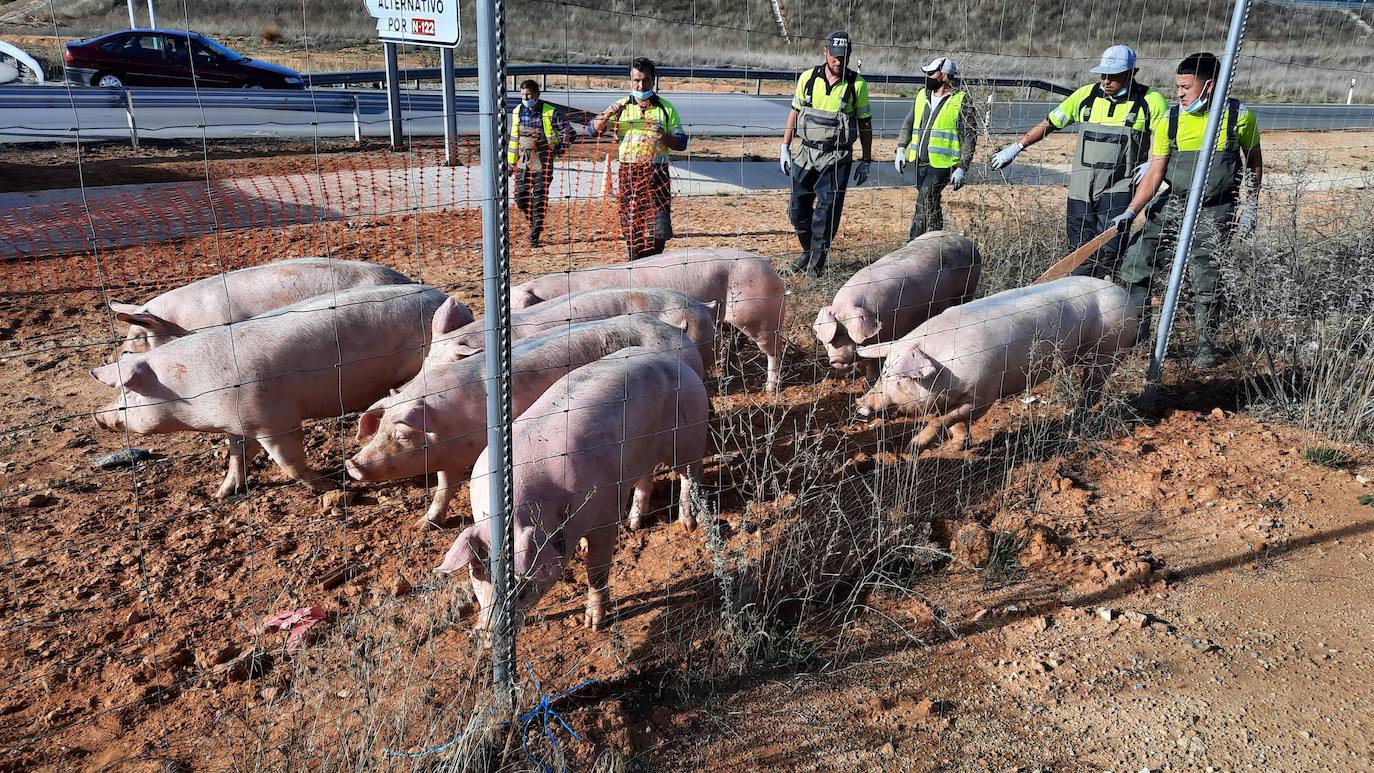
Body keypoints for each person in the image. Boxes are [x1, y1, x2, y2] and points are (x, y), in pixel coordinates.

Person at [1110, 52, 1263, 368]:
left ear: (1209, 87)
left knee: (1206, 275)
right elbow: (1155, 173)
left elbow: (1255, 163)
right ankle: (1138, 340)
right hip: (1174, 204)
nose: (1178, 93)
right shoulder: (1171, 119)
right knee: (1137, 260)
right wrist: (1131, 211)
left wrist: (1252, 206)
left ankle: (1205, 348)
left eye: (1185, 87)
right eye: (1177, 86)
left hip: (1215, 209)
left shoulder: (1239, 117)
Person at [989, 45, 1169, 277]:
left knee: (1108, 250)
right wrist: (1018, 146)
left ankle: (1105, 293)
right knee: (1078, 250)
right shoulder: (1086, 96)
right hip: (1081, 190)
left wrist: (1152, 161)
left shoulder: (1151, 101)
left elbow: (1166, 137)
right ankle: (1078, 299)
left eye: (1113, 76)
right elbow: (1052, 121)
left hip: (1118, 189)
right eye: (1103, 75)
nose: (1106, 81)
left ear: (1132, 72)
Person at [779, 31, 874, 278]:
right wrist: (785, 146)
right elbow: (794, 111)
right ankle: (809, 249)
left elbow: (865, 123)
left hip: (837, 158)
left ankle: (815, 268)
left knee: (826, 212)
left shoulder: (857, 85)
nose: (839, 62)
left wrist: (866, 159)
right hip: (806, 154)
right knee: (797, 209)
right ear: (825, 52)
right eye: (834, 56)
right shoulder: (808, 79)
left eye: (844, 57)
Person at [588, 57, 688, 259]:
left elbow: (681, 143)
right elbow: (593, 130)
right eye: (636, 80)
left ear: (654, 80)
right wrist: (607, 113)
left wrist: (664, 136)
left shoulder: (666, 109)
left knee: (661, 229)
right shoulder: (620, 106)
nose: (640, 85)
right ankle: (635, 263)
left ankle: (650, 258)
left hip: (657, 172)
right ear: (629, 81)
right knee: (632, 225)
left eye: (645, 80)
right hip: (629, 172)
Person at [893, 56, 978, 239]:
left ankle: (912, 245)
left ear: (945, 76)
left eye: (932, 73)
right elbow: (909, 122)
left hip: (943, 165)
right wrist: (901, 148)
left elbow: (970, 137)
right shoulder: (922, 95)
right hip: (919, 161)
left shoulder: (961, 100)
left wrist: (962, 168)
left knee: (924, 201)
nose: (928, 77)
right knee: (931, 204)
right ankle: (937, 241)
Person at [507, 80, 574, 247]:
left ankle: (535, 234)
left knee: (539, 198)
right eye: (522, 95)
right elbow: (514, 139)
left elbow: (569, 133)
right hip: (524, 160)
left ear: (537, 94)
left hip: (543, 161)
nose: (525, 98)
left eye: (528, 94)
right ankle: (534, 220)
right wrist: (510, 163)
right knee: (520, 197)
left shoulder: (550, 112)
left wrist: (557, 150)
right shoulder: (517, 111)